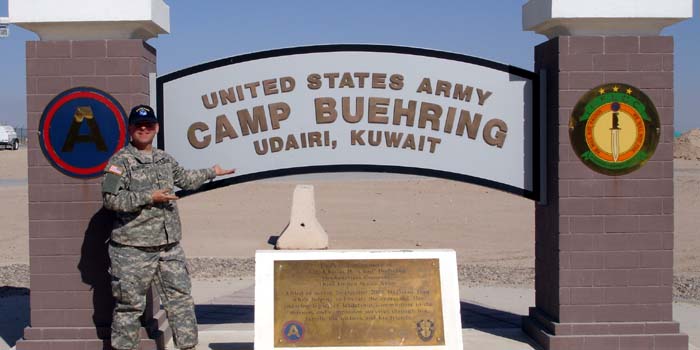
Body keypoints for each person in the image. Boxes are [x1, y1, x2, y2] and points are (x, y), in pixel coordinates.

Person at [101, 105, 235, 350]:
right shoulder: (119, 162)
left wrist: (212, 172)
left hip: (168, 247)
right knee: (129, 307)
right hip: (133, 249)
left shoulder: (165, 158)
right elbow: (111, 199)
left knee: (181, 302)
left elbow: (184, 179)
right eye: (139, 126)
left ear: (156, 128)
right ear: (130, 129)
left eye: (149, 125)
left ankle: (188, 346)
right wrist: (149, 196)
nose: (144, 130)